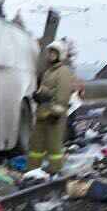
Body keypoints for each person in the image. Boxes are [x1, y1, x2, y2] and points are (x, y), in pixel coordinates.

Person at [28, 39, 75, 173]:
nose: (51, 55)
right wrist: (38, 96)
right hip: (42, 114)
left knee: (54, 148)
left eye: (54, 53)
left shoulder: (63, 72)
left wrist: (56, 113)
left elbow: (63, 96)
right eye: (50, 53)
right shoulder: (48, 72)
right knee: (35, 146)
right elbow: (46, 91)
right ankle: (32, 171)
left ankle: (54, 172)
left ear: (60, 55)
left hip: (54, 117)